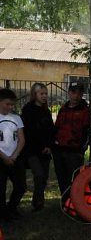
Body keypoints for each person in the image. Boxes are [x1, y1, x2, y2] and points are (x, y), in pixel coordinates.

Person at [21, 83, 55, 211]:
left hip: (45, 151)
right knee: (39, 174)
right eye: (41, 93)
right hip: (31, 150)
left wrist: (49, 146)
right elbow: (28, 131)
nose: (45, 96)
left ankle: (38, 203)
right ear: (34, 95)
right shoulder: (28, 109)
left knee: (44, 178)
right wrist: (41, 146)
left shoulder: (46, 110)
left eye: (46, 93)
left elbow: (51, 130)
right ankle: (36, 203)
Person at [53, 81, 90, 197]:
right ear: (69, 93)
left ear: (82, 94)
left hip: (74, 151)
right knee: (61, 177)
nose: (76, 95)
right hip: (59, 149)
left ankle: (74, 201)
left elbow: (86, 130)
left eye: (79, 93)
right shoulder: (63, 109)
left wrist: (81, 148)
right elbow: (57, 127)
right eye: (73, 92)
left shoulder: (85, 110)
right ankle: (65, 200)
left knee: (74, 178)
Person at [0, 88, 26, 222]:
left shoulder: (16, 118)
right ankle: (3, 214)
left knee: (21, 186)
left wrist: (14, 156)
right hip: (1, 159)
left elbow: (21, 139)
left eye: (12, 104)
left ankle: (12, 208)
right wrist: (4, 157)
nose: (10, 107)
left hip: (15, 158)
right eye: (7, 104)